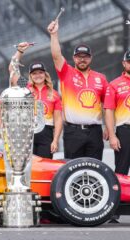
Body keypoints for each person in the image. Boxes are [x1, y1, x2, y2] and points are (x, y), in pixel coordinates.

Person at [48, 20, 108, 160]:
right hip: (73, 131)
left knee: (94, 167)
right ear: (74, 58)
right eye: (79, 57)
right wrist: (54, 34)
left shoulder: (101, 78)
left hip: (95, 131)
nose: (82, 60)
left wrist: (109, 129)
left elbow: (108, 106)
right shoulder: (66, 72)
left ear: (91, 58)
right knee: (73, 168)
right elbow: (56, 56)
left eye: (85, 57)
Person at [10, 42, 63, 159]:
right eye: (34, 73)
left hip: (47, 133)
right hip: (26, 132)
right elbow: (12, 71)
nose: (38, 75)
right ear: (30, 75)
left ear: (45, 74)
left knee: (44, 166)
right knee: (27, 166)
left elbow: (58, 119)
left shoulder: (53, 94)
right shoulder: (25, 88)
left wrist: (55, 140)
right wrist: (19, 51)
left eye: (40, 72)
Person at [105, 50, 130, 175]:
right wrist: (112, 135)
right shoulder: (114, 84)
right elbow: (109, 111)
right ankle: (121, 195)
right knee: (121, 170)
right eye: (129, 62)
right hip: (124, 131)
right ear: (124, 63)